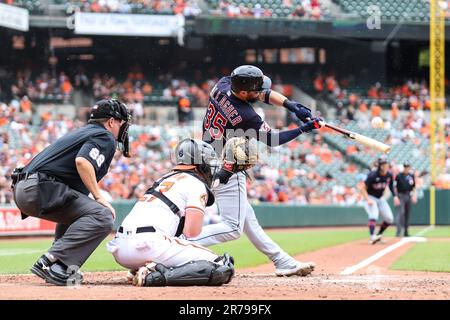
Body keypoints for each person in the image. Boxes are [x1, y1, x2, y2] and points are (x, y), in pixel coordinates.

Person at [188, 65, 322, 277]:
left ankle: (282, 261)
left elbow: (263, 93)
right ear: (242, 92)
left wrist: (292, 105)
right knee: (233, 227)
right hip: (227, 165)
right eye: (254, 90)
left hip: (205, 156)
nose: (260, 93)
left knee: (248, 218)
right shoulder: (246, 115)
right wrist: (304, 128)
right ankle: (179, 243)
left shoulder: (222, 85)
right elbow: (274, 139)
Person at [11, 99, 131, 286]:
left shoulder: (83, 132)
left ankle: (60, 265)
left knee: (81, 210)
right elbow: (83, 161)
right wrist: (99, 196)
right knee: (103, 215)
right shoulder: (104, 136)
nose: (124, 128)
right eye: (122, 123)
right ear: (111, 121)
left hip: (25, 189)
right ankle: (52, 261)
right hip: (40, 187)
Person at [107, 139, 235, 287]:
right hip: (149, 246)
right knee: (222, 266)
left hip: (120, 250)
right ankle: (154, 277)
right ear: (198, 162)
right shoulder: (196, 183)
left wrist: (226, 173)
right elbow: (191, 232)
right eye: (207, 160)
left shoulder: (163, 179)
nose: (210, 166)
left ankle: (143, 269)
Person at [360, 155, 398, 244]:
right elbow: (362, 188)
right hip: (370, 197)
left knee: (389, 218)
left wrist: (395, 196)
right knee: (374, 214)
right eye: (383, 164)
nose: (385, 166)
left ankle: (379, 235)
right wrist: (367, 199)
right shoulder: (372, 175)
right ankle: (372, 236)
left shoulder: (389, 174)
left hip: (380, 198)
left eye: (386, 164)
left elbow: (391, 186)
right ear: (380, 166)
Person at [395, 161, 416, 237]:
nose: (406, 168)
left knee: (407, 213)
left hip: (408, 195)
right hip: (401, 195)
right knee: (401, 212)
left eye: (408, 167)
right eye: (405, 167)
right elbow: (395, 187)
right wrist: (396, 197)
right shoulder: (399, 176)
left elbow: (413, 187)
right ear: (403, 167)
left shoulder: (411, 176)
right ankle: (398, 231)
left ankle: (406, 231)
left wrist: (414, 195)